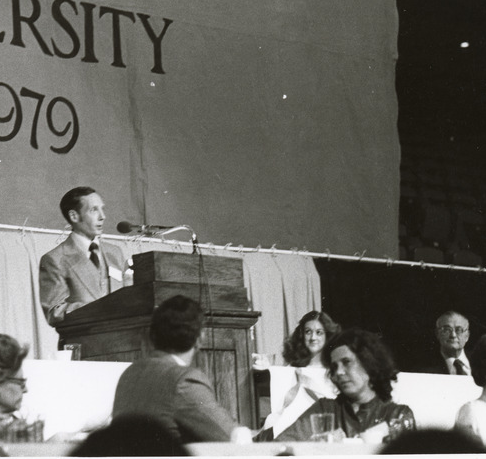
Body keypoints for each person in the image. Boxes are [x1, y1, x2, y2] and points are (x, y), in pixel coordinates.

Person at [111, 295, 244, 443]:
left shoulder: (128, 374)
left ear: (152, 336)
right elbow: (232, 439)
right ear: (199, 340)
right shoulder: (184, 381)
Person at [256, 328, 415, 442]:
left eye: (346, 363)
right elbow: (284, 447)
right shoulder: (325, 409)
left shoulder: (397, 415)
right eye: (333, 367)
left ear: (370, 363)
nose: (338, 372)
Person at [39, 186, 127, 330]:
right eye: (94, 210)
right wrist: (100, 309)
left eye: (102, 209)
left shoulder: (115, 252)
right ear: (74, 216)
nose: (102, 216)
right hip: (83, 343)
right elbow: (54, 312)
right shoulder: (55, 259)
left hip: (123, 339)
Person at [422, 310, 472, 375]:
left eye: (459, 330)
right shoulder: (424, 368)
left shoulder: (481, 362)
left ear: (467, 336)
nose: (453, 335)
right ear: (437, 334)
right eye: (446, 330)